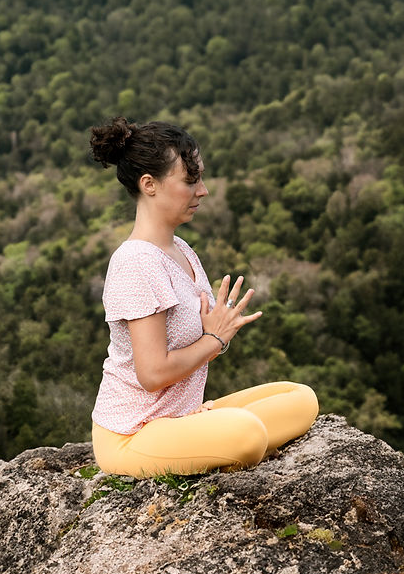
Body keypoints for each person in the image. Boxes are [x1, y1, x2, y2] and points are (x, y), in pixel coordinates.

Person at [88, 116, 318, 478]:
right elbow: (153, 373)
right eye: (191, 180)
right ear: (149, 184)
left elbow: (192, 344)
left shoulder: (181, 250)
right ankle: (209, 434)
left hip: (180, 418)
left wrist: (212, 332)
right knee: (248, 435)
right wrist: (214, 339)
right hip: (132, 434)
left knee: (301, 399)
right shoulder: (134, 263)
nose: (203, 191)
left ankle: (201, 431)